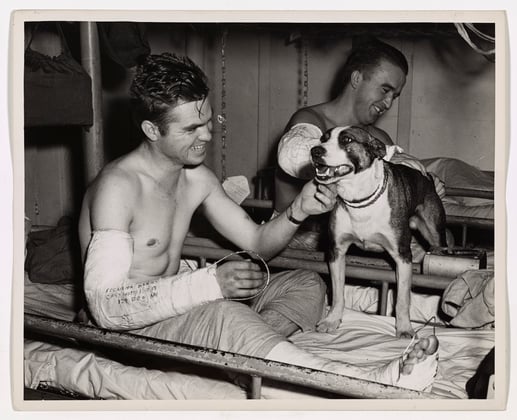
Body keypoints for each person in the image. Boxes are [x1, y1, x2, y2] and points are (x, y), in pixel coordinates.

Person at [78, 52, 438, 393]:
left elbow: (257, 242)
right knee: (224, 314)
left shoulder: (196, 179)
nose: (206, 136)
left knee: (307, 283)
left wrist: (299, 209)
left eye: (208, 122)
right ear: (152, 130)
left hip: (179, 308)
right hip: (129, 331)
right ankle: (369, 381)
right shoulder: (118, 187)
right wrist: (209, 284)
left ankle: (244, 355)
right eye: (190, 130)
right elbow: (106, 308)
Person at [275, 38, 448, 254]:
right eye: (385, 90)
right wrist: (388, 158)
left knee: (440, 239)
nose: (388, 104)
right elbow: (291, 156)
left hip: (356, 243)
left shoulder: (377, 136)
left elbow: (398, 186)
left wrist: (425, 184)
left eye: (394, 96)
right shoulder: (310, 120)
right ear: (356, 78)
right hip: (297, 243)